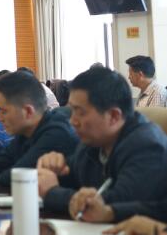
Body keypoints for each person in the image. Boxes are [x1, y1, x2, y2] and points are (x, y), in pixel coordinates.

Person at [38, 66, 167, 221]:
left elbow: (111, 206)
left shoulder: (147, 146)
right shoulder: (94, 141)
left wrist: (52, 192)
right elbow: (70, 175)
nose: (72, 121)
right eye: (72, 111)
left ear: (113, 116)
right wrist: (52, 169)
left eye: (80, 112)